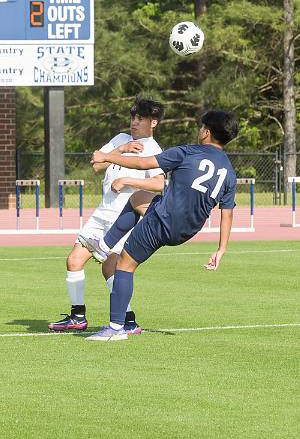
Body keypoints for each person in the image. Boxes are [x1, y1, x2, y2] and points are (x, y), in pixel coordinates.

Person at [81, 109, 239, 341]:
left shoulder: (188, 152)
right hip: (186, 229)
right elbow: (227, 213)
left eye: (200, 127)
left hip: (163, 220)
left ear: (206, 132)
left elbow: (143, 164)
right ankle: (104, 246)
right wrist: (221, 249)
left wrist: (107, 157)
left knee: (124, 265)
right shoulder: (229, 171)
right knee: (137, 198)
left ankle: (116, 329)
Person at [47, 96, 166, 335]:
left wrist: (128, 180)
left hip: (123, 219)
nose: (134, 122)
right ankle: (77, 317)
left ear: (153, 123)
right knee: (74, 261)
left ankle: (129, 321)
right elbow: (96, 163)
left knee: (110, 269)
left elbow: (159, 184)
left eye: (140, 119)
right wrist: (120, 149)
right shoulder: (121, 139)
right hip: (101, 214)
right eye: (133, 117)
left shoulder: (153, 150)